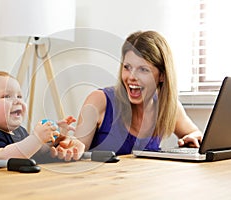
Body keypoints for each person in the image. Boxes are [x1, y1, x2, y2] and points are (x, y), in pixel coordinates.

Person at [57, 30, 203, 158]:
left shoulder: (169, 107)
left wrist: (193, 137)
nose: (131, 77)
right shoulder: (99, 100)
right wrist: (68, 145)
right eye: (127, 67)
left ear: (162, 76)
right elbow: (77, 147)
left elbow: (194, 133)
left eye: (143, 69)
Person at [0, 69, 82, 161]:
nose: (17, 101)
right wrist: (36, 138)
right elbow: (4, 157)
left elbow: (35, 151)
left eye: (19, 96)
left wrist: (54, 138)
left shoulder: (19, 131)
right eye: (7, 96)